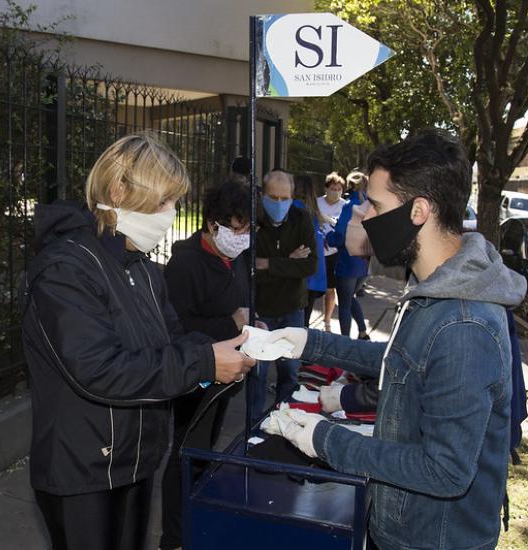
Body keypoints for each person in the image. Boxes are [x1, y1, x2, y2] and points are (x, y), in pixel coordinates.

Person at [264, 129, 527, 550]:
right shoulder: (436, 289)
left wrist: (324, 439)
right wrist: (307, 343)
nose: (364, 214)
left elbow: (444, 471)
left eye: (376, 204)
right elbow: (402, 360)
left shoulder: (463, 325)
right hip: (402, 527)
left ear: (418, 211)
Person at [19, 132, 255, 550]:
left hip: (136, 460)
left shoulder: (143, 270)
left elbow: (173, 345)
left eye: (174, 202)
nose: (171, 213)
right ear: (118, 191)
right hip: (83, 472)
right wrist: (203, 364)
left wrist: (224, 361)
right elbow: (98, 370)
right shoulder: (65, 269)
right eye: (164, 201)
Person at [159, 180, 254, 550]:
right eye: (239, 228)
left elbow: (240, 305)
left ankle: (193, 516)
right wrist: (231, 323)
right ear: (213, 225)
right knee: (184, 454)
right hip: (195, 375)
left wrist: (251, 325)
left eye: (249, 228)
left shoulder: (236, 257)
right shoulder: (184, 264)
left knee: (205, 450)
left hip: (227, 376)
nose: (245, 237)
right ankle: (174, 537)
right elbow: (175, 328)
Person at [252, 169, 317, 421]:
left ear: (292, 196)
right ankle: (253, 429)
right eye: (273, 197)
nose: (279, 203)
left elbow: (309, 266)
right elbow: (248, 270)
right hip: (261, 311)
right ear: (263, 195)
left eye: (284, 198)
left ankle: (284, 423)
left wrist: (268, 263)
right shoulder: (253, 222)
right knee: (256, 376)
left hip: (292, 310)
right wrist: (289, 262)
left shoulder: (301, 219)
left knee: (289, 373)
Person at [326, 171, 370, 340]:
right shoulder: (370, 205)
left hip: (347, 262)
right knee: (350, 297)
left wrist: (329, 237)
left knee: (344, 304)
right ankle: (362, 330)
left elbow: (340, 236)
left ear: (349, 186)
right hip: (365, 264)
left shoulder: (349, 206)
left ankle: (345, 341)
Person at [293, 174, 328, 327]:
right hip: (315, 272)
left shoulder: (293, 208)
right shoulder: (315, 211)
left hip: (299, 273)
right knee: (304, 321)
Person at [317, 172, 348, 332]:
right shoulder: (317, 203)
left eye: (339, 189)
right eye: (333, 188)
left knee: (330, 288)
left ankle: (327, 320)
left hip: (335, 252)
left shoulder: (345, 205)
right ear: (326, 188)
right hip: (318, 251)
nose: (336, 191)